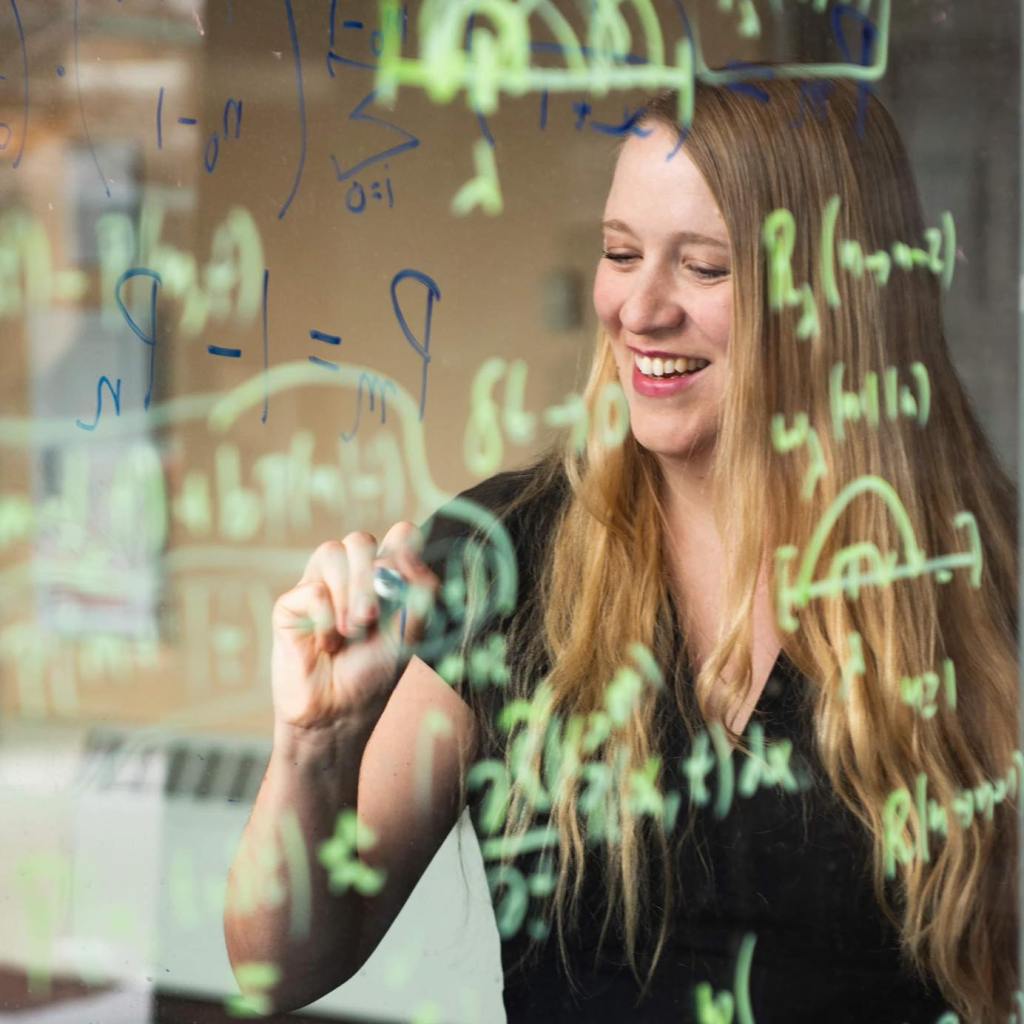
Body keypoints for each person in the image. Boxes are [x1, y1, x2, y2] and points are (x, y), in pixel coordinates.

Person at [224, 80, 1019, 1023]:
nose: (639, 310)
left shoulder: (975, 586)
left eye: (705, 268)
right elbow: (280, 970)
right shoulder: (503, 556)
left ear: (830, 297)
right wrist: (314, 746)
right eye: (620, 253)